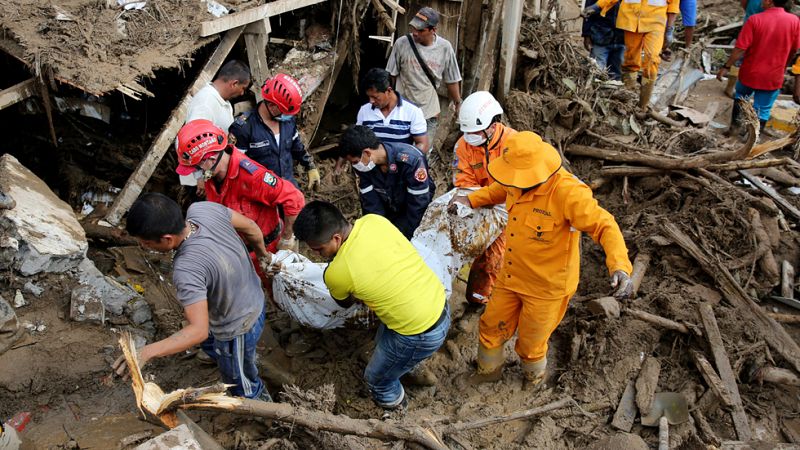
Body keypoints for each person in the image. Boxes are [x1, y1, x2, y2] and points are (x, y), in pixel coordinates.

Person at [451, 132, 633, 386]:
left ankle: (532, 377)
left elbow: (605, 226)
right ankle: (488, 372)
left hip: (547, 288)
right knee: (491, 326)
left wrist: (620, 266)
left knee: (531, 342)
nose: (512, 181)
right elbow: (498, 190)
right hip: (511, 275)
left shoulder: (568, 194)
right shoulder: (516, 179)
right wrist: (470, 199)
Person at [292, 201, 450, 414]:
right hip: (438, 302)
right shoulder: (374, 221)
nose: (318, 255)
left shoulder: (337, 272)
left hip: (418, 333)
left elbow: (345, 302)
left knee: (375, 379)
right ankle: (409, 366)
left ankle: (397, 408)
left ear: (336, 238)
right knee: (383, 340)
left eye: (319, 249)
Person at [113, 193, 272, 402]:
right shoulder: (203, 210)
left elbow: (198, 330)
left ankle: (262, 410)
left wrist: (146, 352)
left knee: (241, 383)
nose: (144, 247)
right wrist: (262, 256)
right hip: (253, 295)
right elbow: (251, 227)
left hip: (237, 327)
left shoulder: (187, 269)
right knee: (212, 342)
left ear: (167, 239)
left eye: (146, 243)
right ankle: (221, 355)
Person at [174, 120, 305, 257]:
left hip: (268, 251)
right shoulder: (212, 175)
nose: (196, 173)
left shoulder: (253, 177)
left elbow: (294, 198)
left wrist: (286, 239)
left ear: (211, 159)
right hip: (238, 251)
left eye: (196, 168)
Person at [453, 91, 517, 306]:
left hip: (512, 207)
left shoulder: (514, 143)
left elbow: (518, 183)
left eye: (476, 132)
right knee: (477, 252)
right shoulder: (464, 146)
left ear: (492, 124)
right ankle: (476, 298)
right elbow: (463, 180)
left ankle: (485, 297)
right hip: (480, 205)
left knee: (496, 256)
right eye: (468, 132)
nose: (471, 137)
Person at [717, 0, 800, 134]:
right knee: (763, 108)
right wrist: (784, 65)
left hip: (750, 71)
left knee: (741, 96)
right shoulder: (794, 21)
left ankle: (734, 129)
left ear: (769, 1)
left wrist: (726, 66)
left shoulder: (754, 19)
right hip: (774, 74)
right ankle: (751, 140)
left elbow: (740, 48)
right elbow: (794, 49)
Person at [338, 125, 434, 239]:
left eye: (354, 162)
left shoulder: (411, 160)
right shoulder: (365, 166)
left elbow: (418, 205)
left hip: (413, 213)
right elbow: (371, 202)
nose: (354, 166)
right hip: (389, 208)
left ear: (367, 153)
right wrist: (379, 229)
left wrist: (401, 235)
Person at [230, 73, 320, 191]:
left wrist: (310, 166)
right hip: (261, 194)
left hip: (288, 188)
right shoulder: (243, 128)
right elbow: (235, 167)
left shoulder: (287, 121)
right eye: (284, 112)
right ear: (272, 105)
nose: (288, 116)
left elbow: (296, 145)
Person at [584, 0, 680, 109]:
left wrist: (669, 29)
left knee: (652, 59)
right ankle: (626, 102)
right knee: (630, 61)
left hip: (656, 21)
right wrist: (597, 6)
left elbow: (673, 4)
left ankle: (643, 106)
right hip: (630, 20)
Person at [386, 6, 462, 144]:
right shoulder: (401, 44)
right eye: (413, 28)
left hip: (428, 113)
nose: (415, 33)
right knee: (401, 153)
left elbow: (452, 80)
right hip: (403, 112)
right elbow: (391, 76)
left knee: (422, 156)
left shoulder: (445, 48)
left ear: (433, 30)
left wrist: (458, 102)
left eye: (420, 30)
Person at [182, 60, 252, 192]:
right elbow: (191, 142)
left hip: (213, 173)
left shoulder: (223, 102)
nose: (242, 93)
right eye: (243, 88)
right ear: (234, 83)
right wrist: (199, 177)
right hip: (202, 180)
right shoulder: (206, 102)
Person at [357, 68, 429, 154]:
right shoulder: (364, 110)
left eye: (375, 97)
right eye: (369, 97)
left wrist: (405, 158)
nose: (371, 101)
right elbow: (357, 141)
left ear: (389, 91)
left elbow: (422, 144)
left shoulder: (413, 111)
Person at [581, 0, 625, 80]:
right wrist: (586, 34)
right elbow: (588, 12)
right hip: (600, 36)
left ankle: (612, 91)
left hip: (621, 38)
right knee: (596, 72)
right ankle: (593, 91)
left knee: (616, 77)